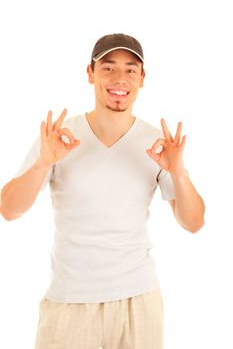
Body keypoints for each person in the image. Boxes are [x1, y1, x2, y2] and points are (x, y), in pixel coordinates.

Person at [0, 33, 205, 349]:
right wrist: (43, 163)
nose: (119, 78)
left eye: (130, 69)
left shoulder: (158, 144)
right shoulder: (59, 139)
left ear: (142, 78)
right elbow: (9, 210)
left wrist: (177, 172)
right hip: (69, 301)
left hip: (138, 302)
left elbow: (193, 222)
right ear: (90, 73)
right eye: (108, 67)